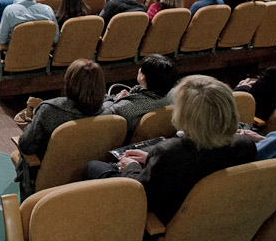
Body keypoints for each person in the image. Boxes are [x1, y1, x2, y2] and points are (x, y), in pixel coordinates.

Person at [83, 75, 256, 226]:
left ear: (186, 116)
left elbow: (141, 197)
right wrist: (151, 158)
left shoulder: (169, 152)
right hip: (211, 218)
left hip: (166, 220)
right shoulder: (244, 145)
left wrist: (131, 166)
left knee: (93, 167)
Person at [16, 59, 105, 194]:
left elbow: (26, 146)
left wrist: (30, 126)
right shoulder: (109, 113)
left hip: (49, 180)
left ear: (69, 82)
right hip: (89, 180)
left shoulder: (49, 110)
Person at [101, 54, 178, 141]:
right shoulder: (176, 96)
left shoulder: (123, 108)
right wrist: (130, 96)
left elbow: (102, 113)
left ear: (143, 76)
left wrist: (115, 100)